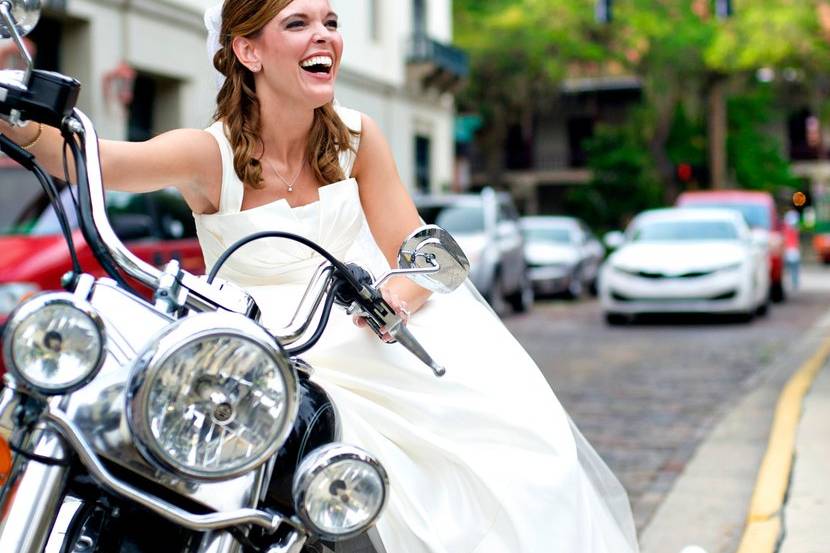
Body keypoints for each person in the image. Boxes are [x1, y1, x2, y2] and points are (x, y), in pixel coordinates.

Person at [1, 1, 639, 551]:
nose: (325, 36)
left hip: (371, 339)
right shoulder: (209, 153)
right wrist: (15, 112)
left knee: (517, 454)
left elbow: (426, 250)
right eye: (299, 22)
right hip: (262, 353)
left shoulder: (358, 138)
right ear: (247, 50)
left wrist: (398, 289)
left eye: (331, 22)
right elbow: (99, 159)